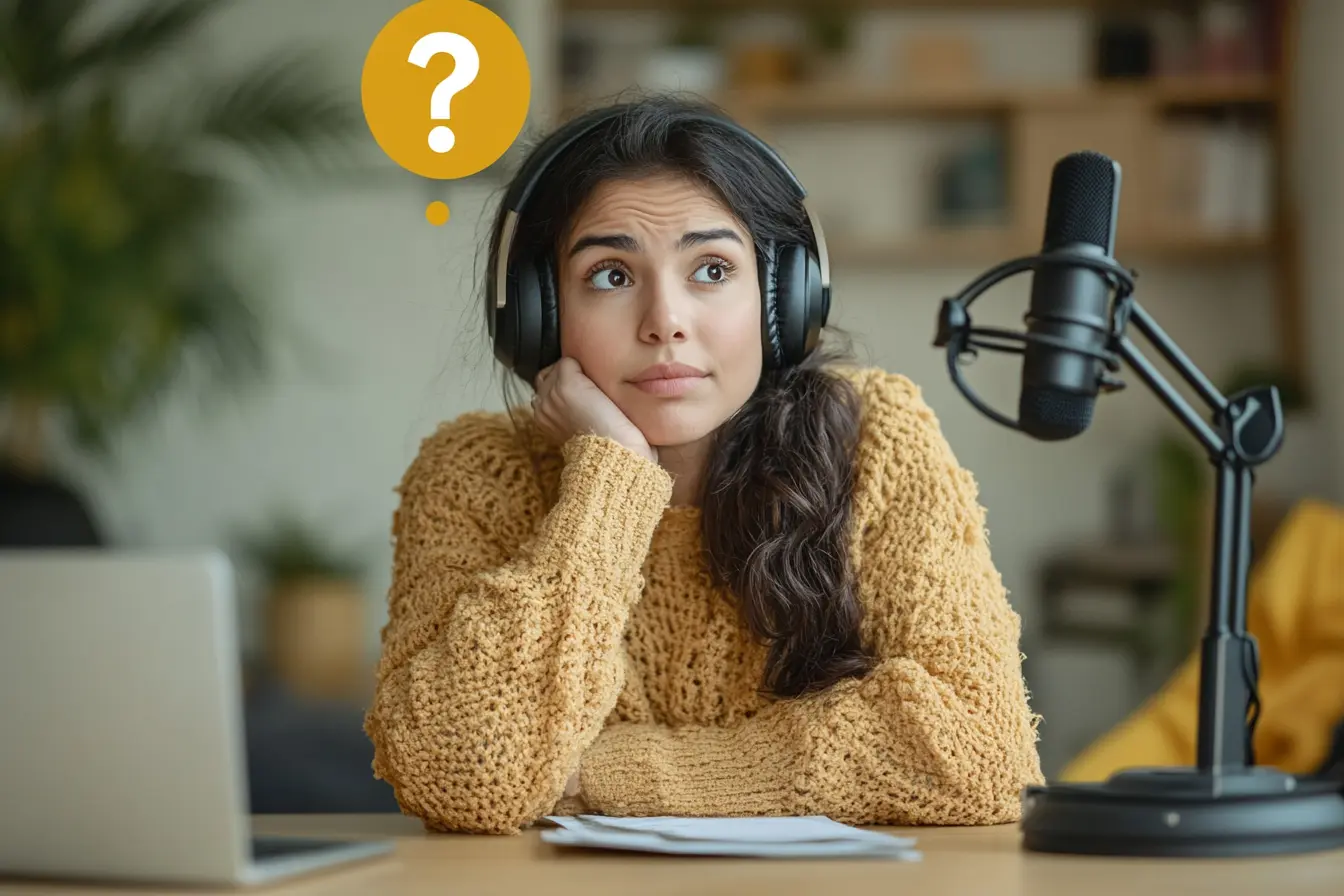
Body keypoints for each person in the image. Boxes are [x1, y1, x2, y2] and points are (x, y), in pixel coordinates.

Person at [363, 94, 1044, 836]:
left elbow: (982, 753)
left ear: (782, 300)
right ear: (538, 312)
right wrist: (611, 482)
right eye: (611, 276)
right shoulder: (474, 472)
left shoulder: (871, 438)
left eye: (712, 269)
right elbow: (457, 774)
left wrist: (598, 771)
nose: (666, 320)